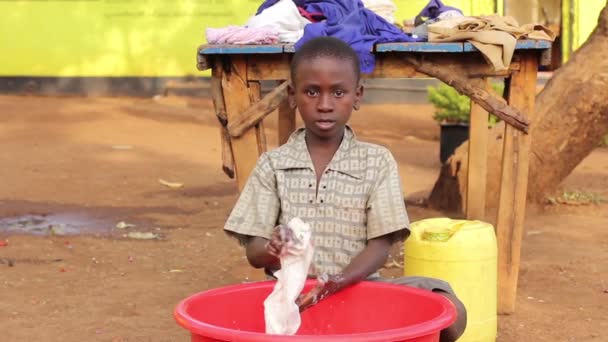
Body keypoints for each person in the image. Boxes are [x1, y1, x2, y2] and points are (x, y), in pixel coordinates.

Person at [224, 36, 466, 341]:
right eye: (312, 91)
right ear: (292, 95)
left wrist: (337, 281)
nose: (325, 105)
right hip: (291, 297)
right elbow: (255, 253)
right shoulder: (273, 165)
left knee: (448, 305)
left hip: (359, 288)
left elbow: (379, 248)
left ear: (358, 95)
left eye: (338, 92)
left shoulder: (376, 161)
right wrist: (274, 248)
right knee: (230, 313)